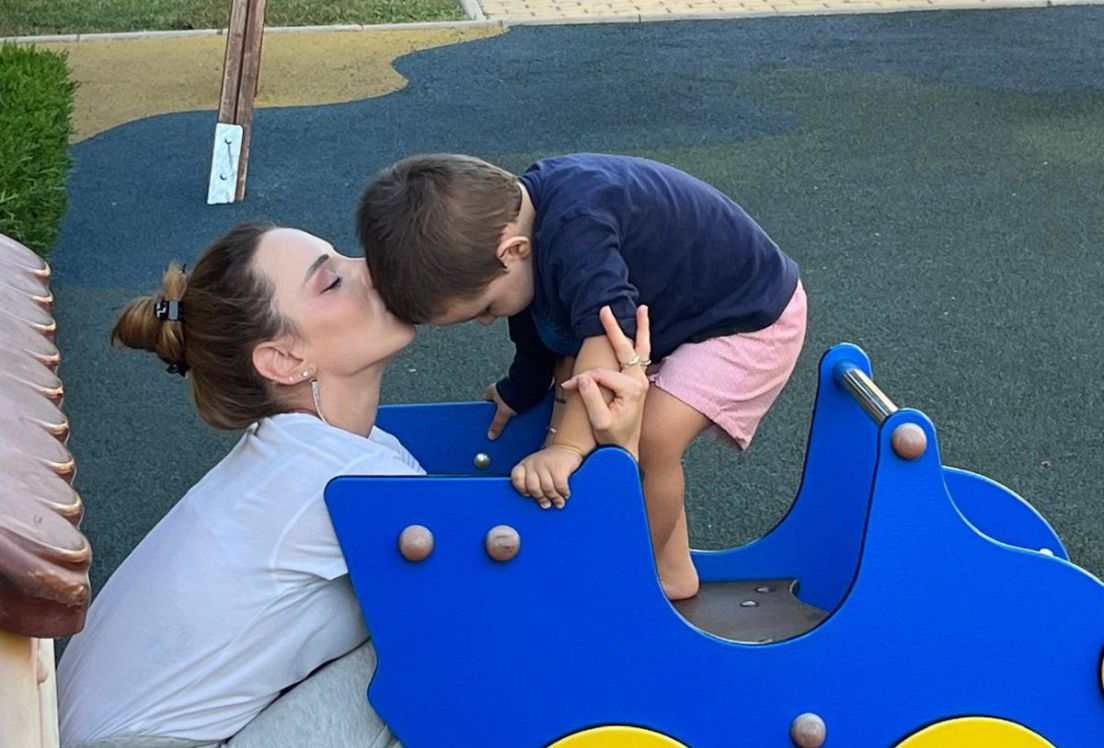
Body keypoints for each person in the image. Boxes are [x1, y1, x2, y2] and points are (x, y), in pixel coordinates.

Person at [56, 222, 650, 748]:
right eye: (331, 281)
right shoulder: (327, 477)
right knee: (448, 642)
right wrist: (619, 441)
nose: (373, 269)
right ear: (285, 361)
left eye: (343, 257)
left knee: (437, 627)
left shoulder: (325, 452)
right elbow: (538, 580)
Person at [356, 153, 807, 601]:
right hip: (675, 310)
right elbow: (543, 321)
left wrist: (565, 447)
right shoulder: (523, 225)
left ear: (513, 251)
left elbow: (608, 332)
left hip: (747, 318)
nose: (487, 321)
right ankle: (675, 571)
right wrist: (521, 390)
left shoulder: (577, 227)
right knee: (578, 372)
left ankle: (635, 573)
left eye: (487, 307)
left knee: (653, 437)